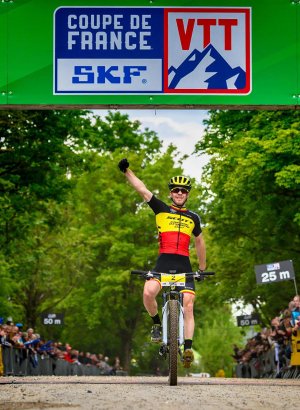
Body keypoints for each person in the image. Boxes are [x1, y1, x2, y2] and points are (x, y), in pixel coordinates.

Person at [118, 158, 206, 368]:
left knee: (189, 305)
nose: (179, 193)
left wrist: (202, 269)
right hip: (163, 264)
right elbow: (142, 189)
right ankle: (157, 324)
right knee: (148, 293)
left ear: (188, 194)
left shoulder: (193, 217)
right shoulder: (161, 209)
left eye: (183, 191)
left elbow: (200, 242)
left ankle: (188, 349)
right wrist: (126, 171)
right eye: (176, 190)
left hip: (184, 266)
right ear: (170, 193)